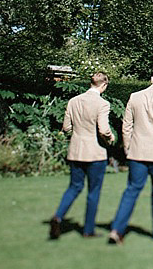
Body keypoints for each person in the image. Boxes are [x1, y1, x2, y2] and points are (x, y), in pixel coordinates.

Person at [108, 68, 153, 244]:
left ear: (151, 79)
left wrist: (127, 148)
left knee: (131, 191)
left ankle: (117, 229)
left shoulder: (134, 97)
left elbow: (126, 126)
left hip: (137, 152)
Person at [50, 72, 115, 239]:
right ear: (104, 85)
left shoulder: (73, 101)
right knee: (93, 191)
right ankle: (88, 230)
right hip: (95, 153)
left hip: (76, 150)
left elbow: (66, 128)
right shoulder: (103, 103)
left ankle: (58, 216)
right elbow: (103, 129)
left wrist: (77, 134)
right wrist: (110, 138)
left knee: (74, 187)